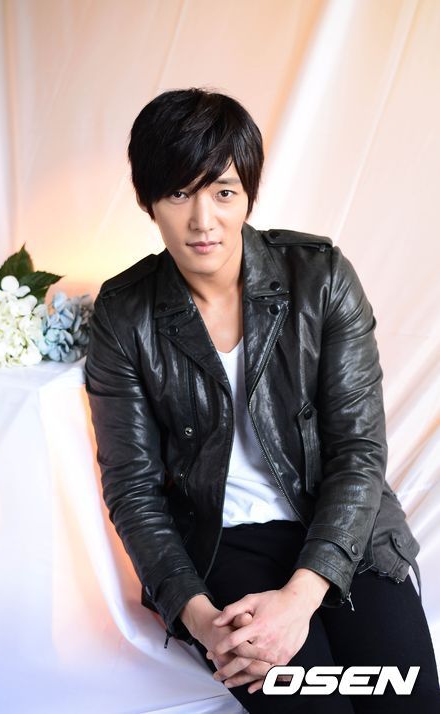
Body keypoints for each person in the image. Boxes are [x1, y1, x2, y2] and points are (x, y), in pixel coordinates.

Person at [84, 88, 439, 713]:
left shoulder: (322, 278)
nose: (203, 221)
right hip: (219, 543)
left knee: (408, 703)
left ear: (248, 193)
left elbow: (358, 453)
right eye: (179, 194)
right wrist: (200, 619)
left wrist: (300, 600)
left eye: (223, 192)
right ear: (147, 200)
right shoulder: (123, 314)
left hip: (341, 524)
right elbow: (133, 490)